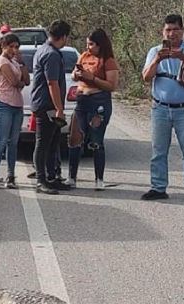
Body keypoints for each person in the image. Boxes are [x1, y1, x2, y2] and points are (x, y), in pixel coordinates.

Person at [140, 14, 184, 203]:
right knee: (158, 151)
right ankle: (158, 187)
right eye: (168, 30)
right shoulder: (155, 51)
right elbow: (146, 77)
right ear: (163, 31)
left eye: (175, 30)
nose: (171, 34)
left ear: (182, 31)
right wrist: (157, 60)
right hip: (160, 109)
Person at [67, 28, 119, 190]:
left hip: (98, 102)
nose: (88, 47)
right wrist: (76, 75)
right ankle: (71, 177)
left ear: (100, 45)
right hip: (82, 100)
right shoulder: (84, 56)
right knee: (75, 137)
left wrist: (93, 78)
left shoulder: (108, 61)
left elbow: (112, 85)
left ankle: (99, 179)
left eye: (91, 44)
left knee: (96, 141)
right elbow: (73, 75)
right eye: (87, 44)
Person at [30, 20, 72, 194]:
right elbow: (52, 83)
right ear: (63, 37)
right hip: (47, 106)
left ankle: (51, 177)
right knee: (43, 143)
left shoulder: (44, 49)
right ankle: (41, 180)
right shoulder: (51, 54)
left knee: (53, 143)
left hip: (46, 105)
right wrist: (59, 109)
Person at [0, 34, 30, 189]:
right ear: (3, 46)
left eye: (16, 47)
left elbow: (26, 80)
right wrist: (20, 82)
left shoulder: (15, 62)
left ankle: (10, 176)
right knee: (1, 141)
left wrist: (23, 64)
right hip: (3, 104)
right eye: (11, 46)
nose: (14, 50)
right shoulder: (1, 61)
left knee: (13, 143)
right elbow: (15, 82)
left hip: (17, 106)